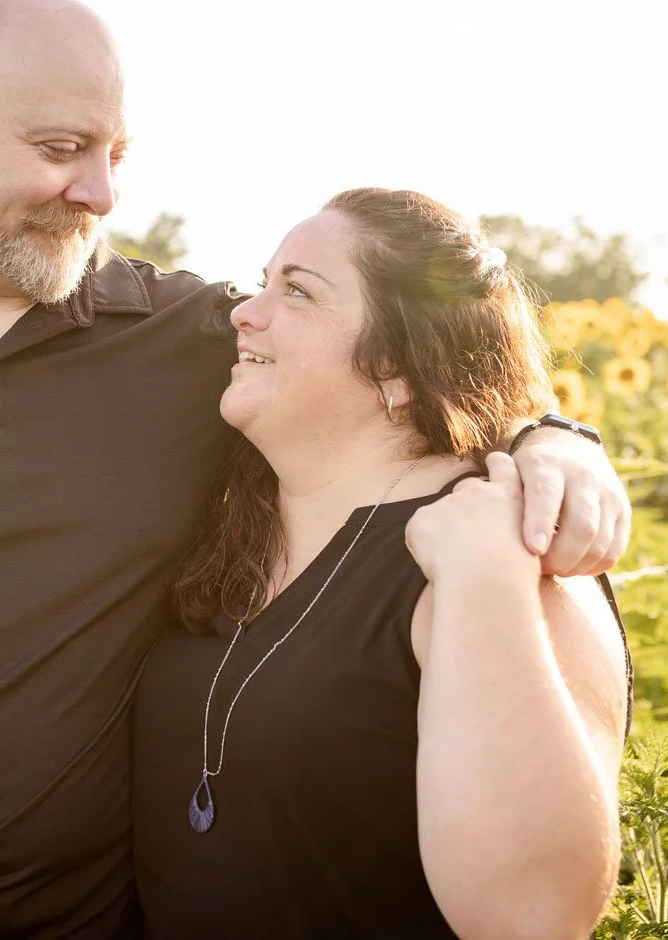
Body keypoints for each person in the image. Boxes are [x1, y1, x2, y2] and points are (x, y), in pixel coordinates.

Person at [0, 0, 631, 940]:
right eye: (62, 148)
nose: (99, 191)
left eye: (114, 151)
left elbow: (405, 360)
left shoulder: (191, 336)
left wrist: (552, 437)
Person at [131, 188, 632, 939]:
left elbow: (536, 916)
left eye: (297, 291)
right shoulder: (229, 520)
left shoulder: (514, 546)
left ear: (399, 363)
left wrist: (486, 583)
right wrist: (557, 429)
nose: (244, 311)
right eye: (263, 280)